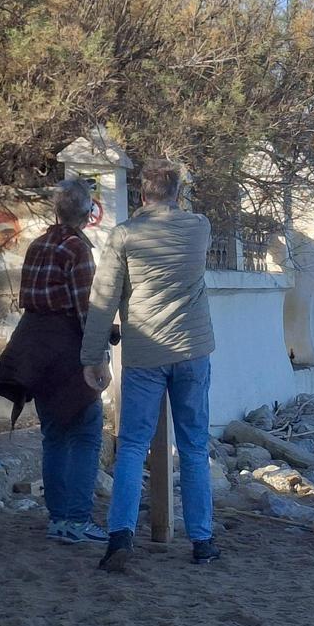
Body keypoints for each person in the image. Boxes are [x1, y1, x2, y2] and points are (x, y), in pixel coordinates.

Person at [80, 159, 219, 571]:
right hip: (193, 351)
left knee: (132, 447)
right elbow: (185, 212)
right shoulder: (200, 228)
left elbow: (104, 300)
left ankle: (120, 536)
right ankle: (203, 541)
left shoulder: (124, 235)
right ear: (178, 193)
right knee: (194, 446)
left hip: (145, 354)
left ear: (141, 194)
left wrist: (94, 356)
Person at [0, 178, 108, 544]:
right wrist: (97, 357)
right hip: (67, 349)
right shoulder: (77, 249)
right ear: (88, 214)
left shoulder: (38, 245)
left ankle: (58, 519)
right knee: (87, 433)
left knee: (53, 435)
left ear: (57, 210)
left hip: (34, 350)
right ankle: (78, 520)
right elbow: (86, 309)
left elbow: (30, 299)